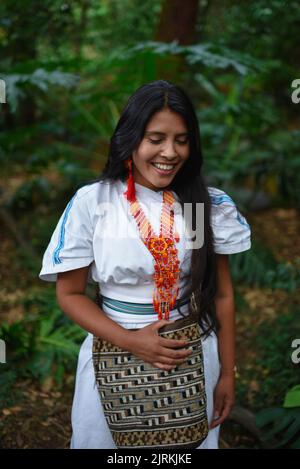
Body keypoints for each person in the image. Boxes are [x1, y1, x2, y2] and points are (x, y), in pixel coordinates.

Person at [39, 80, 251, 449]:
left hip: (192, 355)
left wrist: (227, 375)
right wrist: (133, 342)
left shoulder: (201, 205)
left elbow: (222, 296)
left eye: (182, 140)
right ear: (130, 139)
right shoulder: (96, 202)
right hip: (113, 352)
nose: (170, 152)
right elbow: (70, 293)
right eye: (155, 139)